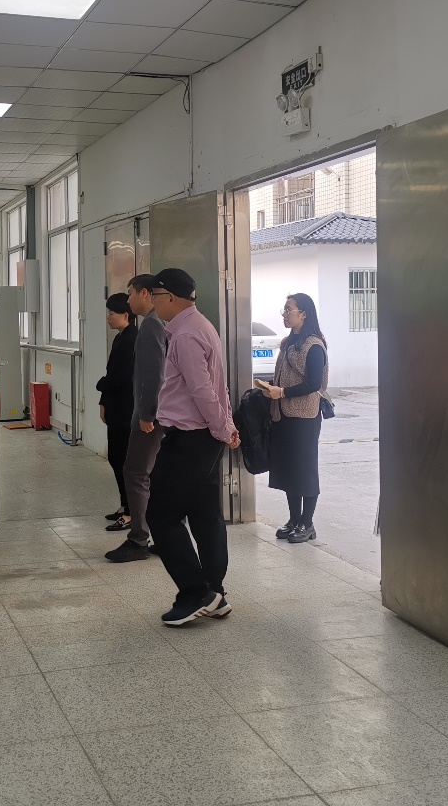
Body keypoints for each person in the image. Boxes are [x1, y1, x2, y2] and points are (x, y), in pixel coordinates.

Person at [146, 268, 240, 626]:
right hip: (205, 436)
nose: (153, 303)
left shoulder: (185, 334)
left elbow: (203, 391)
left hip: (190, 439)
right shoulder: (201, 326)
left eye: (155, 296)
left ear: (170, 297)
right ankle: (215, 592)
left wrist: (222, 428)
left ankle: (195, 593)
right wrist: (226, 427)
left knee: (161, 515)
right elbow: (219, 386)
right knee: (205, 516)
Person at [257, 293, 328, 544]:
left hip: (304, 416)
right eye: (284, 310)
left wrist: (283, 392)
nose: (285, 314)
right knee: (289, 469)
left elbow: (314, 383)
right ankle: (294, 519)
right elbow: (284, 376)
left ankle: (307, 524)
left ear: (304, 314)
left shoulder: (314, 345)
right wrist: (270, 388)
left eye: (289, 310)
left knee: (305, 470)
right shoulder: (288, 342)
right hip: (282, 415)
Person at [105, 275, 167, 563]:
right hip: (160, 413)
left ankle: (139, 538)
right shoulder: (157, 323)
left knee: (135, 472)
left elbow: (154, 376)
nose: (128, 299)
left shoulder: (152, 325)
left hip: (149, 416)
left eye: (130, 293)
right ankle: (163, 536)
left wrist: (147, 414)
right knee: (152, 474)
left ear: (145, 293)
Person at [96, 293, 138, 528]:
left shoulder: (131, 340)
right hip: (115, 407)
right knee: (115, 457)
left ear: (125, 315)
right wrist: (103, 401)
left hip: (125, 409)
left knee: (124, 460)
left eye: (112, 313)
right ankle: (124, 504)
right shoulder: (120, 338)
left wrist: (100, 385)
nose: (108, 317)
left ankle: (131, 511)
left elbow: (120, 378)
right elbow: (111, 373)